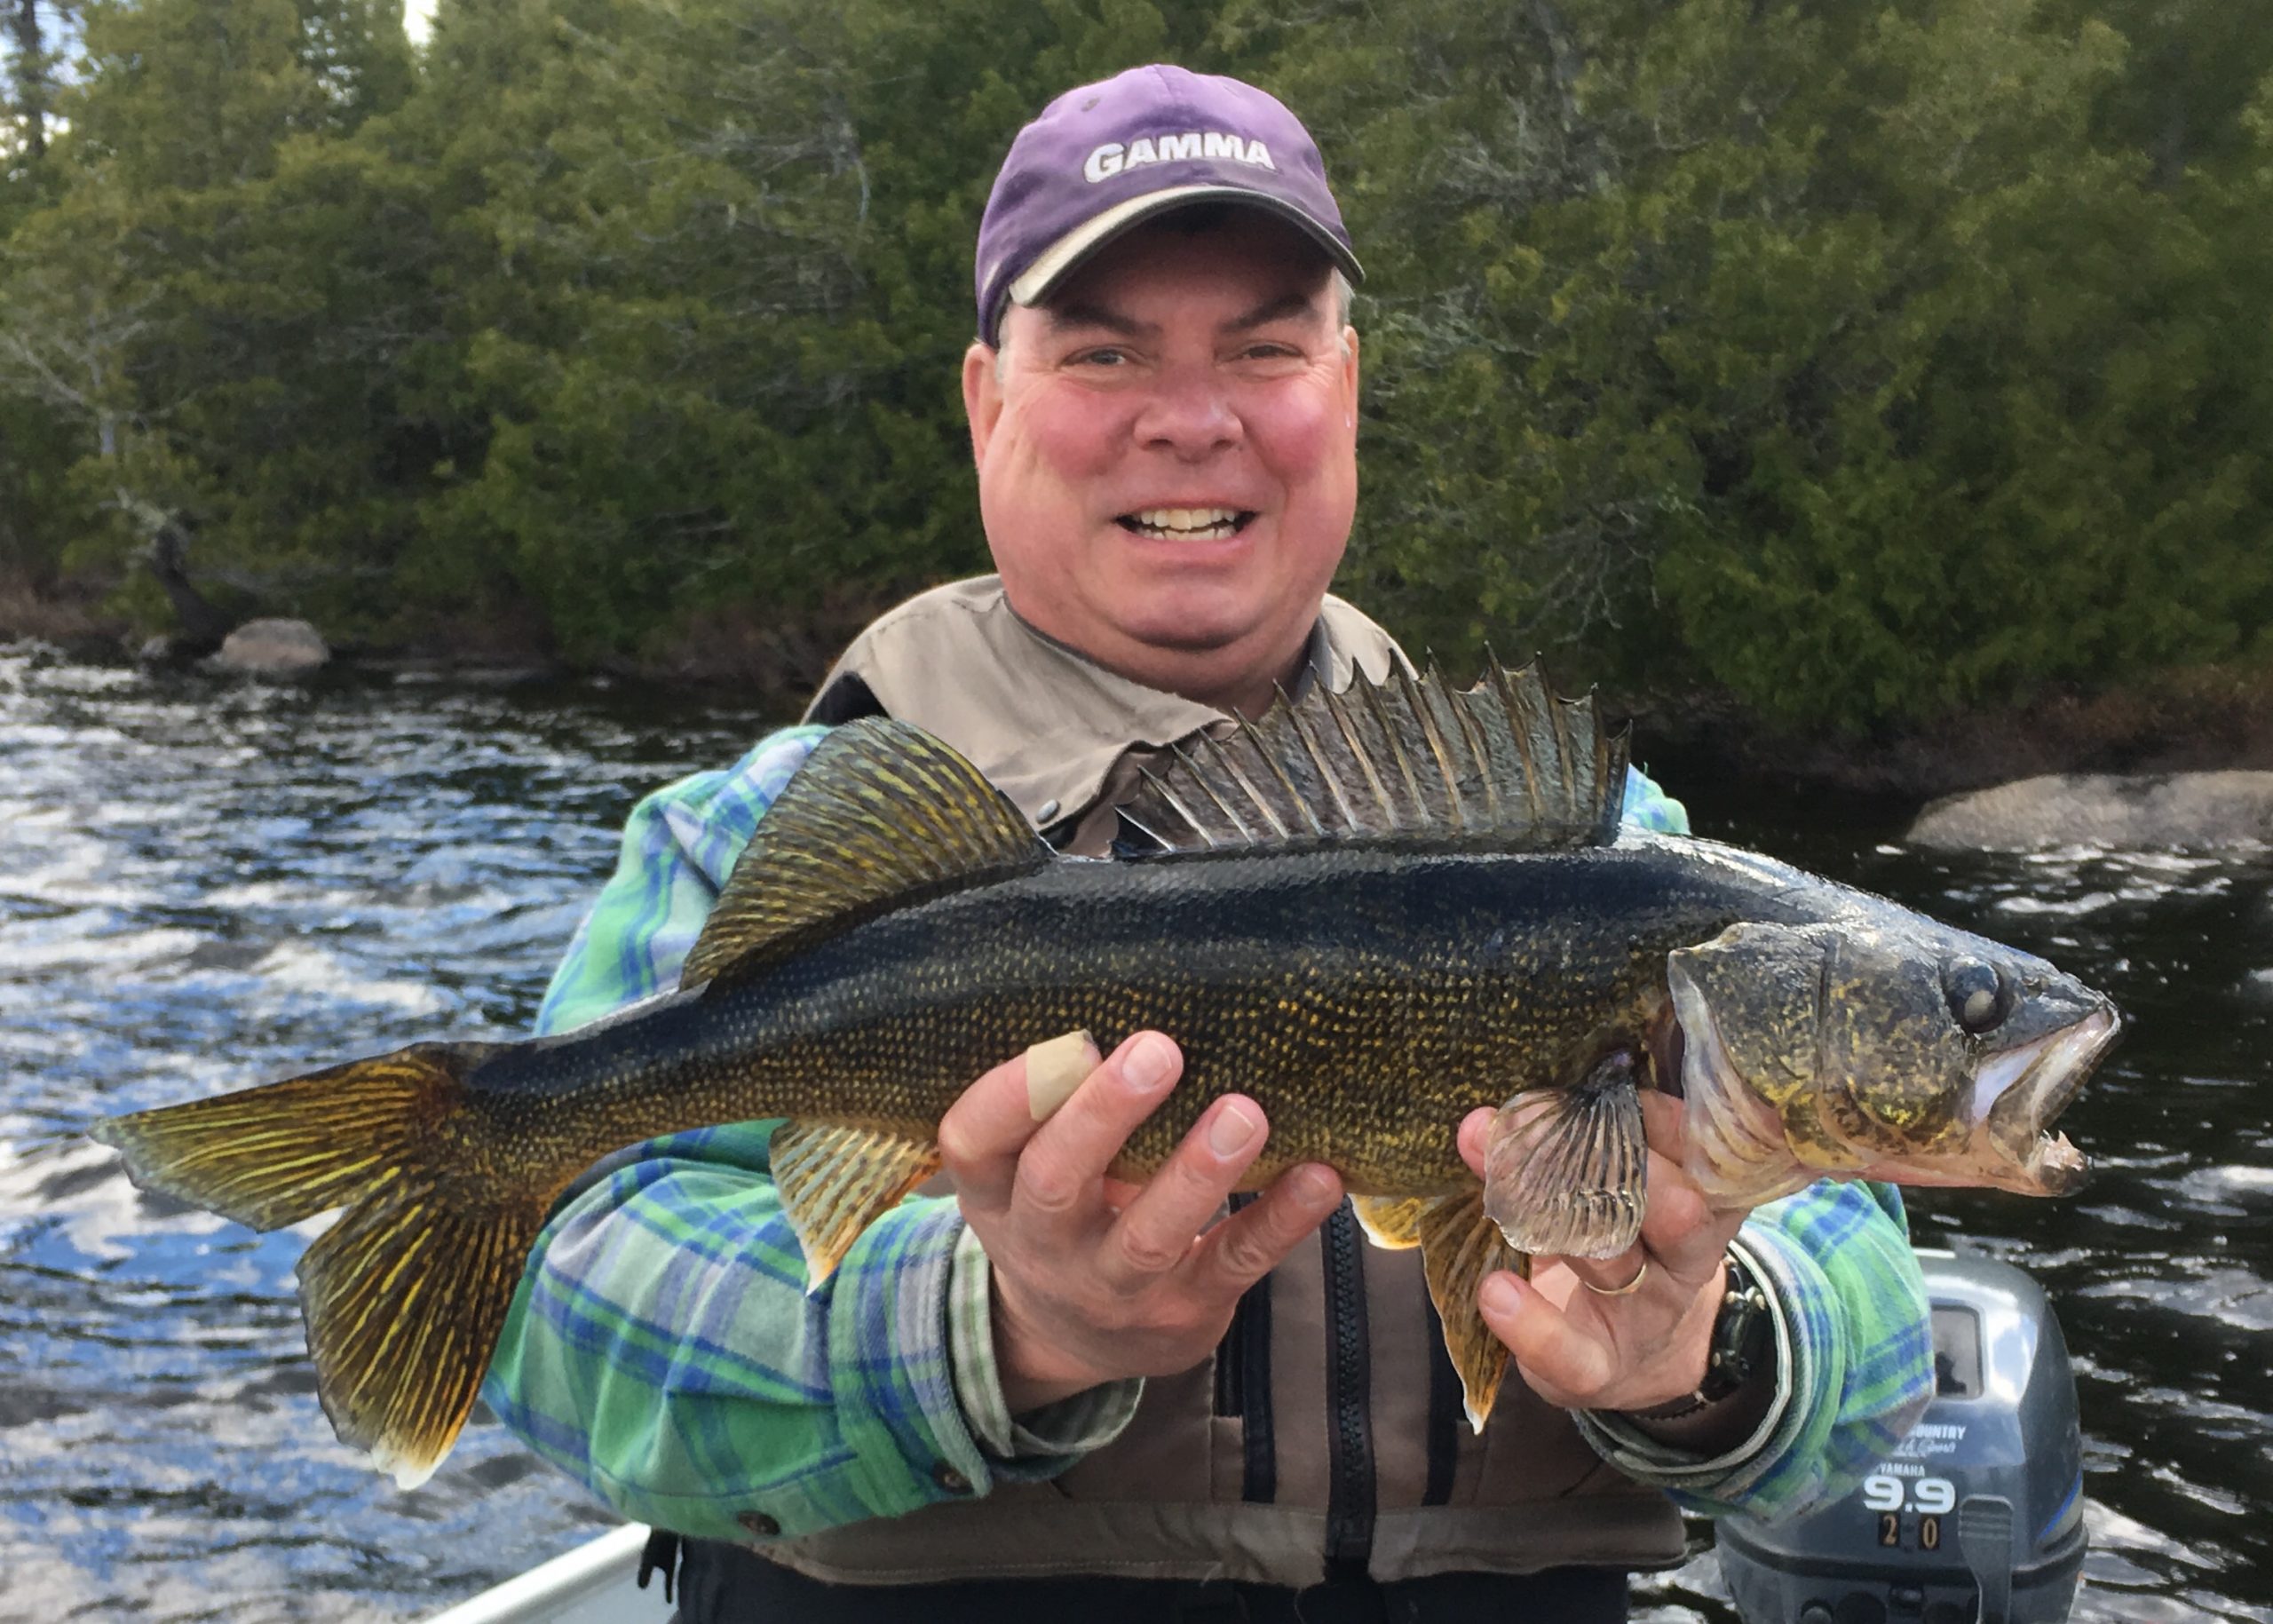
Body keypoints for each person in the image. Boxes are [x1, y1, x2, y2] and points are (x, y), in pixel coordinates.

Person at [480, 64, 1934, 1624]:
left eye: (1264, 349)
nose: (1192, 421)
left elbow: (1875, 1306)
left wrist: (1701, 1347)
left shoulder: (1607, 852)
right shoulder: (760, 834)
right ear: (987, 403)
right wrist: (997, 1329)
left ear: (1347, 389)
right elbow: (553, 1303)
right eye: (1104, 352)